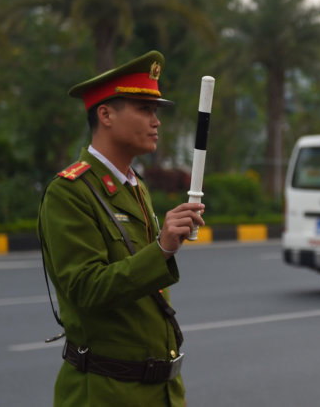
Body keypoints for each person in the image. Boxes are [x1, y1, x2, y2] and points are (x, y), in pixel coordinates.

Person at [38, 50, 204, 406]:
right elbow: (87, 290)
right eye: (144, 109)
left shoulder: (134, 186)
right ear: (106, 114)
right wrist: (161, 249)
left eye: (156, 110)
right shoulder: (70, 192)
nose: (156, 121)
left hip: (159, 391)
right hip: (106, 392)